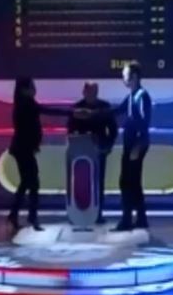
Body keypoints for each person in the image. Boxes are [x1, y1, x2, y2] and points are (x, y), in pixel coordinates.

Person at [7, 77, 72, 232]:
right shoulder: (26, 104)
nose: (34, 89)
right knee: (32, 183)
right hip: (23, 149)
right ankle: (29, 216)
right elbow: (47, 111)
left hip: (23, 148)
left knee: (27, 182)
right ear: (24, 89)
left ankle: (17, 214)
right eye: (32, 86)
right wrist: (71, 112)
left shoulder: (25, 103)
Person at [67, 82, 118, 224]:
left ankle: (98, 213)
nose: (92, 94)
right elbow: (70, 130)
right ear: (84, 92)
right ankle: (78, 212)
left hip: (99, 151)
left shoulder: (104, 107)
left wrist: (108, 146)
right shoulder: (77, 108)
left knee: (98, 183)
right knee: (79, 182)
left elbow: (113, 130)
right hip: (80, 152)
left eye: (94, 91)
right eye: (89, 91)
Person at [110, 62, 152, 231]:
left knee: (127, 182)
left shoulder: (142, 96)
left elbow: (144, 122)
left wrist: (138, 145)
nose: (123, 79)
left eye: (125, 76)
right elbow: (118, 110)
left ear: (134, 77)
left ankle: (127, 220)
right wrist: (97, 113)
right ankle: (140, 218)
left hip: (136, 145)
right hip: (130, 145)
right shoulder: (131, 96)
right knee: (132, 182)